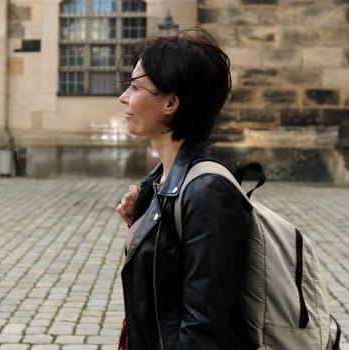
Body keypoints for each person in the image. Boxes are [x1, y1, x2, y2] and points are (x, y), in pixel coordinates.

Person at [115, 28, 255, 350]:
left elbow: (202, 330)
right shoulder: (158, 182)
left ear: (171, 103)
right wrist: (142, 229)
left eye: (136, 87)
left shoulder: (208, 194)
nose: (124, 96)